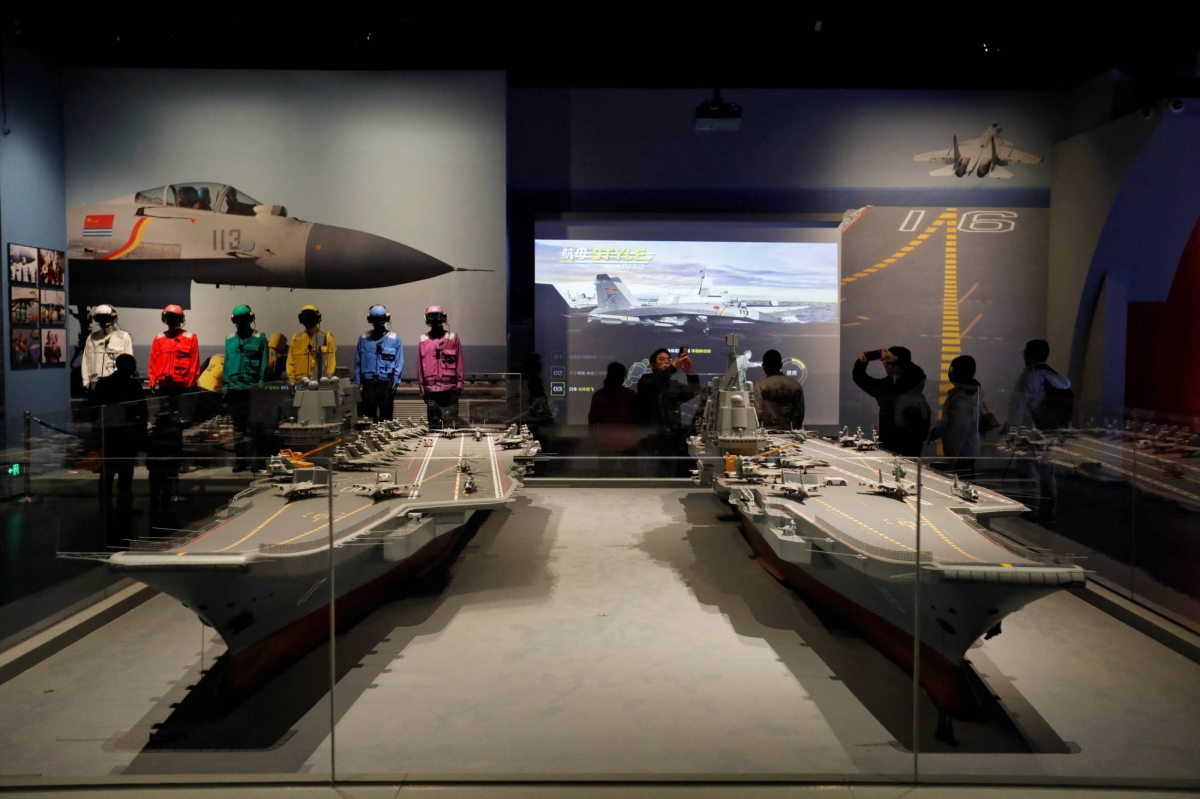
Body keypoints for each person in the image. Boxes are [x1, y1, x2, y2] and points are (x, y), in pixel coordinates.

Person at [1006, 339, 1073, 525]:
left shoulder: (1029, 377)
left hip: (1030, 434)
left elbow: (1017, 407)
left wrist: (1012, 432)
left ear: (1030, 354)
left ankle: (1031, 509)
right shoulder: (1059, 379)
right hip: (1051, 433)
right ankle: (1049, 509)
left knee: (1028, 472)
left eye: (1025, 352)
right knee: (1047, 473)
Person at [92, 353, 147, 514]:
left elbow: (94, 406)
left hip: (108, 432)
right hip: (126, 432)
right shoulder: (133, 386)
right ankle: (124, 504)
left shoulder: (103, 383)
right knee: (125, 472)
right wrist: (141, 429)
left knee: (107, 472)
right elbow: (141, 410)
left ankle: (105, 505)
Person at [852, 346, 931, 457]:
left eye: (892, 364)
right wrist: (861, 363)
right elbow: (860, 378)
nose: (888, 367)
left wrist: (895, 359)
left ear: (902, 364)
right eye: (886, 364)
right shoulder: (884, 387)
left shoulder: (913, 382)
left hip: (911, 438)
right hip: (888, 438)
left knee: (910, 464)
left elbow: (917, 372)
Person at [634, 347, 699, 475]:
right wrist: (673, 367)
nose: (666, 361)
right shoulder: (646, 381)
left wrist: (690, 373)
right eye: (661, 359)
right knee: (648, 477)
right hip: (650, 438)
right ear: (652, 365)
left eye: (668, 359)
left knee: (668, 476)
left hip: (670, 440)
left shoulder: (673, 385)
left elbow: (694, 392)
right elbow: (655, 384)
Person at [224, 305, 269, 473]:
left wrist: (261, 385)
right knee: (238, 428)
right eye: (239, 320)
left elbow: (264, 364)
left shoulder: (260, 338)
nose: (241, 323)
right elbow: (227, 364)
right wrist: (226, 387)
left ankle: (257, 461)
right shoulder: (229, 340)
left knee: (256, 426)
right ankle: (241, 460)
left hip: (253, 389)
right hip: (235, 389)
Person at [929, 354, 982, 478]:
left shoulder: (962, 398)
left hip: (961, 453)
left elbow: (958, 430)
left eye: (951, 369)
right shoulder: (971, 394)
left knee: (963, 481)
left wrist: (952, 458)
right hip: (967, 451)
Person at [354, 305, 404, 422]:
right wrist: (358, 383)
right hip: (368, 383)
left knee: (386, 417)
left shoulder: (394, 338)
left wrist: (395, 381)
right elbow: (358, 362)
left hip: (386, 383)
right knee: (367, 418)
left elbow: (399, 362)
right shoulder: (363, 338)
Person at [417, 305, 464, 429]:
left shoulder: (453, 338)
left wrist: (459, 385)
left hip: (450, 389)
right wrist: (422, 389)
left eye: (436, 316)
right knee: (434, 425)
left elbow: (459, 362)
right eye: (432, 317)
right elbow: (420, 366)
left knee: (451, 424)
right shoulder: (423, 340)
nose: (434, 320)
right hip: (431, 390)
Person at [147, 304, 200, 413]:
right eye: (169, 317)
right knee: (165, 414)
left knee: (182, 415)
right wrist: (152, 380)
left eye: (174, 317)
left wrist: (192, 382)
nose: (171, 320)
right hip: (165, 386)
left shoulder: (190, 337)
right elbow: (153, 361)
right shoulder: (159, 338)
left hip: (184, 386)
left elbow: (194, 361)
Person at [588, 362, 638, 475]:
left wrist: (593, 438)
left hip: (607, 441)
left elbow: (592, 420)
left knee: (604, 475)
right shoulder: (630, 394)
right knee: (632, 476)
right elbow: (636, 419)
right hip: (627, 441)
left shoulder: (599, 395)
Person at [81, 304, 134, 393]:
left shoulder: (124, 338)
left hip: (116, 385)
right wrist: (85, 383)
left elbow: (128, 364)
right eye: (101, 318)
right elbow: (85, 361)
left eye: (106, 318)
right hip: (94, 385)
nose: (104, 321)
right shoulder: (91, 338)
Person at [754, 349, 805, 429]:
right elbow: (799, 414)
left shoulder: (759, 386)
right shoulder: (796, 385)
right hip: (791, 432)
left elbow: (756, 412)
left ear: (763, 366)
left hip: (766, 432)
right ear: (781, 365)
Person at [286, 304, 336, 385]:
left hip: (319, 383)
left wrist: (327, 381)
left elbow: (331, 361)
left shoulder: (326, 337)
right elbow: (290, 362)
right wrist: (292, 381)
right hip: (299, 383)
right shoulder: (296, 338)